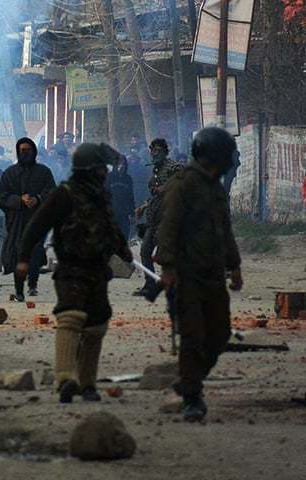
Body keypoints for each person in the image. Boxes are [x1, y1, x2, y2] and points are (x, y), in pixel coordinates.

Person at [17, 143, 131, 403]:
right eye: (101, 168)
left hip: (98, 270)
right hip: (71, 267)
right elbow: (36, 226)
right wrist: (23, 258)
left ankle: (88, 384)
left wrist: (123, 249)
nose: (105, 172)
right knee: (71, 316)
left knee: (96, 326)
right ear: (90, 169)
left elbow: (110, 227)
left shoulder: (101, 196)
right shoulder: (64, 194)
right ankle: (65, 378)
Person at [156, 127, 243, 422]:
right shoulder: (183, 185)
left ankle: (189, 379)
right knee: (193, 336)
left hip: (213, 275)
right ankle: (193, 396)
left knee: (219, 334)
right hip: (186, 275)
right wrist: (168, 268)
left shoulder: (215, 188)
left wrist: (234, 265)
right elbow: (167, 228)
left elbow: (225, 230)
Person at [0, 137, 56, 302]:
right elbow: (2, 197)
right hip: (17, 221)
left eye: (28, 150)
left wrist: (37, 199)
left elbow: (52, 192)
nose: (25, 154)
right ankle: (19, 290)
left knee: (35, 253)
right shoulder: (9, 173)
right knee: (18, 255)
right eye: (22, 150)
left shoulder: (44, 172)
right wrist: (19, 200)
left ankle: (33, 284)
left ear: (34, 152)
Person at [134, 138, 182, 296]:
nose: (154, 153)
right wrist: (144, 206)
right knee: (145, 250)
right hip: (154, 218)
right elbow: (155, 194)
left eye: (158, 150)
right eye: (152, 150)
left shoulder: (172, 167)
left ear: (165, 152)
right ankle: (150, 284)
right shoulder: (155, 170)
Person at [106, 154, 135, 240]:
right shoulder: (109, 177)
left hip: (124, 214)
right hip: (111, 213)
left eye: (123, 164)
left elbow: (130, 197)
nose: (121, 166)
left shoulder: (128, 179)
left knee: (124, 236)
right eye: (119, 164)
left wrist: (132, 214)